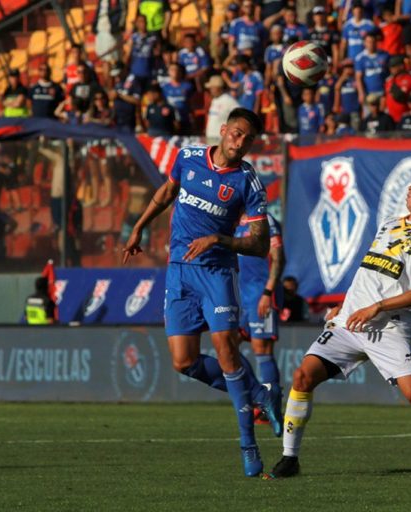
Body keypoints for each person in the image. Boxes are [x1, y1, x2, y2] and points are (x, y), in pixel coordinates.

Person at [265, 167, 411, 480]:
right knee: (303, 376)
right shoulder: (389, 225)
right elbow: (370, 272)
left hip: (389, 326)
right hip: (350, 322)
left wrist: (378, 307)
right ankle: (290, 458)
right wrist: (344, 305)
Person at [122, 108, 283, 477]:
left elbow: (260, 245)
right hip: (179, 272)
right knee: (183, 362)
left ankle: (248, 445)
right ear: (223, 130)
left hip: (217, 273)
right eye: (237, 133)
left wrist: (219, 239)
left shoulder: (247, 180)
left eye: (248, 139)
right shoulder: (189, 157)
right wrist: (139, 228)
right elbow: (167, 192)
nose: (240, 142)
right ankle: (261, 395)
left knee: (228, 352)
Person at [236, 211, 286, 417]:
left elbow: (278, 258)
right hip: (244, 295)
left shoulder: (266, 220)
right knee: (228, 344)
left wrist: (268, 292)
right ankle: (260, 396)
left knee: (262, 348)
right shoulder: (235, 220)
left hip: (261, 293)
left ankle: (270, 407)